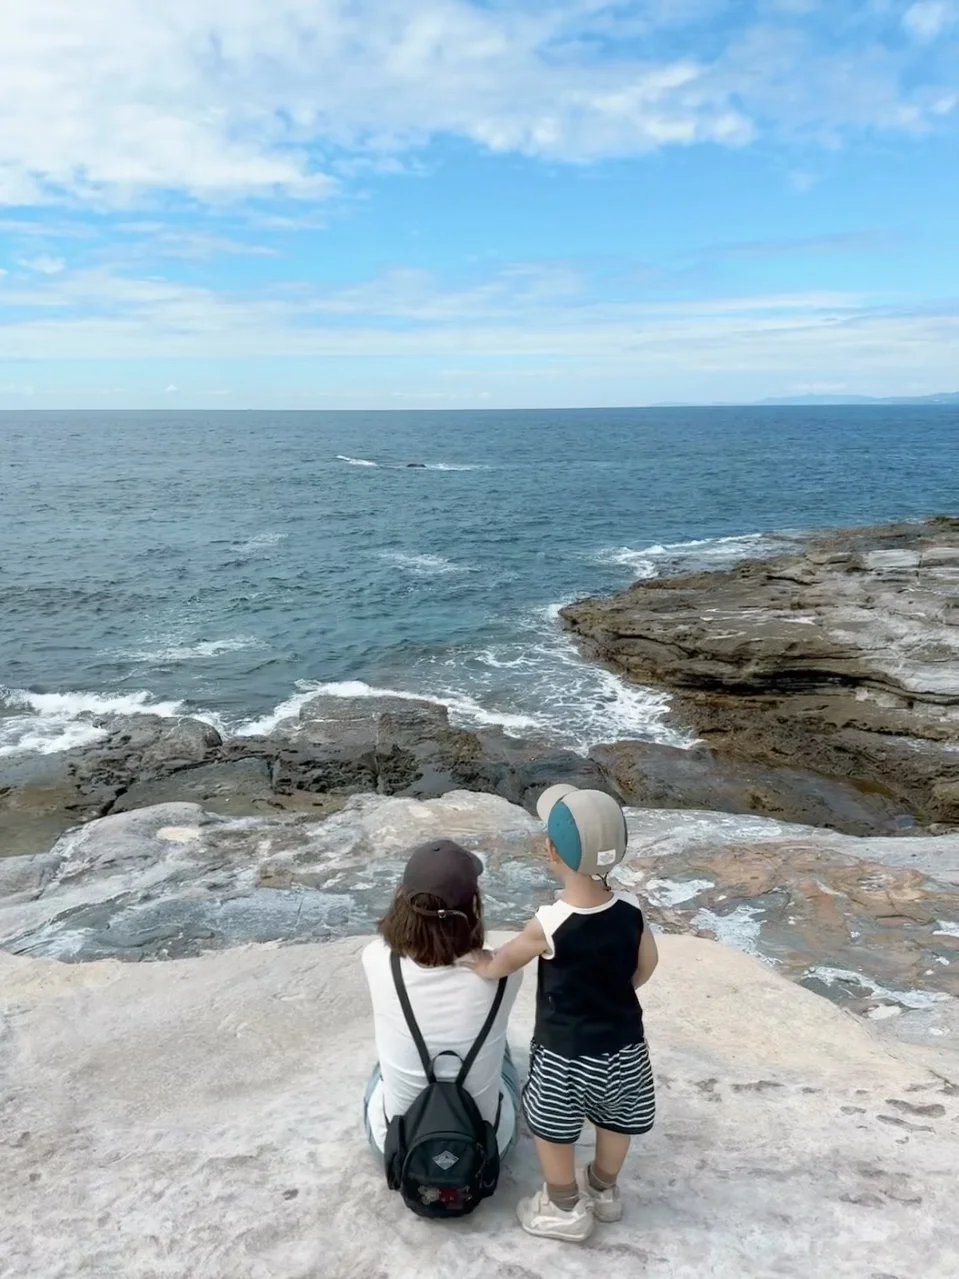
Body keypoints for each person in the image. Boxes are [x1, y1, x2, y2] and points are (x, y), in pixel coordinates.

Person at [468, 785, 658, 1243]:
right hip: (625, 1047)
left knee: (555, 1129)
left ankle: (563, 1206)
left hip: (564, 1054)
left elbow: (503, 962)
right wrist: (616, 993)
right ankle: (603, 1190)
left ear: (551, 850)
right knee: (616, 1120)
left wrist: (480, 962)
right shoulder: (632, 910)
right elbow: (647, 965)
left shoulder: (549, 923)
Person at [361, 839, 523, 1169]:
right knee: (502, 1047)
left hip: (398, 1149)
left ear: (401, 899)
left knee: (382, 1063)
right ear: (473, 906)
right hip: (486, 1149)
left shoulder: (377, 959)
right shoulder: (507, 975)